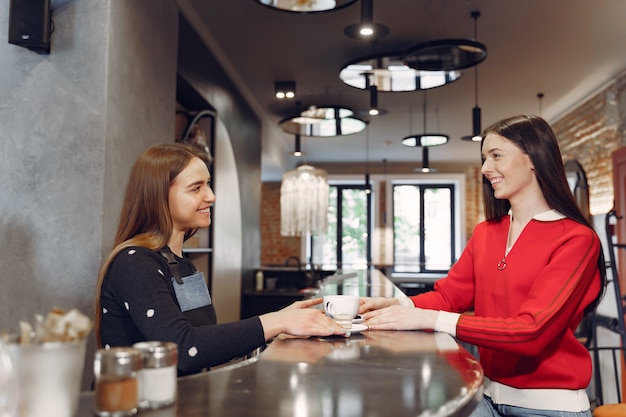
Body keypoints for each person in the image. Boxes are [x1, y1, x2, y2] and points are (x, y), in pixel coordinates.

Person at [360, 115, 606, 417]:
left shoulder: (577, 240)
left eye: (496, 156)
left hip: (550, 408)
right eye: (484, 158)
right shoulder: (487, 232)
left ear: (534, 158)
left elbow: (531, 332)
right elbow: (449, 298)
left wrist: (429, 317)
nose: (486, 169)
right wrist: (395, 305)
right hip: (486, 396)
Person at [94, 143, 346, 375]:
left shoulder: (184, 266)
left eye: (208, 184)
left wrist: (283, 320)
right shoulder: (134, 263)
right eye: (196, 188)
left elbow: (202, 338)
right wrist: (279, 321)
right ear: (158, 195)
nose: (211, 196)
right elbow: (183, 349)